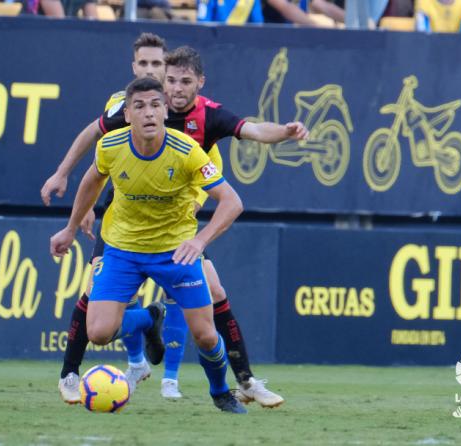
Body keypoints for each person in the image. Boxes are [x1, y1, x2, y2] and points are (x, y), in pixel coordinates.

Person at [99, 46, 307, 406]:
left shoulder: (209, 116)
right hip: (128, 221)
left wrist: (285, 133)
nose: (176, 89)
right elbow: (97, 143)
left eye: (185, 82)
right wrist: (70, 188)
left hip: (178, 227)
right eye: (171, 81)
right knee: (98, 313)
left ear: (200, 83)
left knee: (216, 293)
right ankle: (102, 359)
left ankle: (244, 380)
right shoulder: (140, 110)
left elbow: (254, 129)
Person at [50, 77, 248, 414]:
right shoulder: (110, 146)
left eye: (155, 105)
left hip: (174, 252)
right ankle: (146, 320)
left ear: (165, 109)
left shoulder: (187, 151)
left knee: (205, 336)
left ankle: (220, 391)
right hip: (123, 249)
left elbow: (232, 202)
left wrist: (199, 241)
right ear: (127, 114)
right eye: (139, 106)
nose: (148, 113)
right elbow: (90, 183)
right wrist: (70, 228)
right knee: (97, 332)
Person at [42, 33, 168, 405]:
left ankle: (237, 379)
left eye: (156, 63)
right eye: (143, 63)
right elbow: (94, 144)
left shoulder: (184, 110)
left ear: (167, 66)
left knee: (205, 305)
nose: (149, 69)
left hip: (169, 220)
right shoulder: (123, 107)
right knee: (96, 293)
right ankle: (70, 373)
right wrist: (65, 177)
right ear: (133, 67)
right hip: (123, 215)